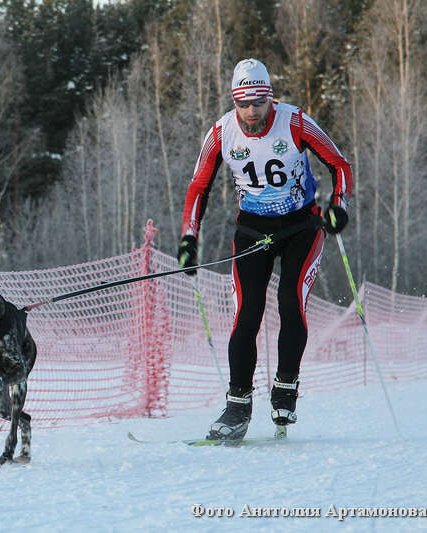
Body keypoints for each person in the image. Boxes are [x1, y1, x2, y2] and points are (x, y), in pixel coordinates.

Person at [177, 58, 352, 440]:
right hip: (253, 229)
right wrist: (189, 238)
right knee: (247, 313)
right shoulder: (222, 132)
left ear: (270, 98)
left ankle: (285, 387)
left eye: (259, 102)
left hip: (301, 226)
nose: (252, 111)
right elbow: (198, 187)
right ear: (234, 101)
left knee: (291, 300)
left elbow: (339, 165)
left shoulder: (294, 122)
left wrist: (339, 206)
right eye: (244, 103)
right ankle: (238, 404)